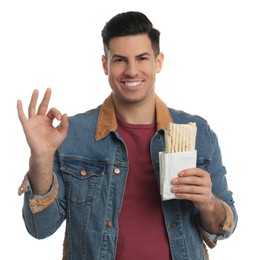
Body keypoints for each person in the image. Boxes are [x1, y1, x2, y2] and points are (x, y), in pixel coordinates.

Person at [17, 11, 237, 260]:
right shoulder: (72, 134)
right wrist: (40, 158)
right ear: (105, 64)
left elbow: (225, 226)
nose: (132, 71)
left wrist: (208, 202)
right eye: (120, 60)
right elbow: (40, 228)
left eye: (142, 58)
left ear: (158, 62)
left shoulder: (199, 133)